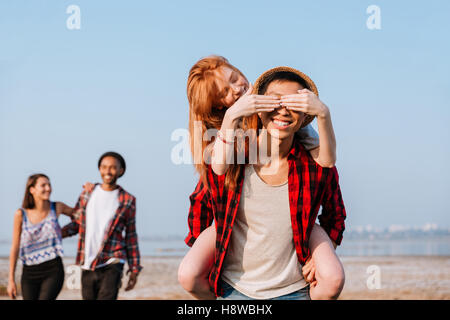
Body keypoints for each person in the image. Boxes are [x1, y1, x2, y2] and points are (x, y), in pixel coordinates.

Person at [179, 62, 345, 299]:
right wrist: (211, 250)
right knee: (188, 273)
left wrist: (321, 113)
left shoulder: (296, 132)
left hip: (295, 272)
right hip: (236, 276)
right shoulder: (225, 139)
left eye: (235, 78)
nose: (236, 90)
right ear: (218, 105)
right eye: (224, 92)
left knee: (333, 277)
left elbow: (328, 165)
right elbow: (206, 191)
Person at [61, 151, 142, 300]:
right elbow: (77, 224)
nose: (108, 171)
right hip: (87, 261)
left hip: (113, 259)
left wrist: (134, 269)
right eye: (104, 167)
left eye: (112, 167)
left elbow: (131, 235)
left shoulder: (128, 200)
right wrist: (56, 235)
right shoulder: (87, 194)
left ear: (120, 171)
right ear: (99, 169)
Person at [7, 174, 77, 300]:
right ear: (32, 189)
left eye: (49, 185)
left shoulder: (56, 207)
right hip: (29, 272)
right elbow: (15, 247)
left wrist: (65, 232)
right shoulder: (21, 214)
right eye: (43, 185)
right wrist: (11, 279)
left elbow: (81, 216)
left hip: (53, 270)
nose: (48, 188)